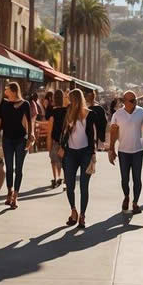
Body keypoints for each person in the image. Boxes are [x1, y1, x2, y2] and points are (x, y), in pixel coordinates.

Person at [108, 91, 143, 214]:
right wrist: (111, 149)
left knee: (137, 178)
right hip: (123, 151)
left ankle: (135, 203)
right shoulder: (118, 114)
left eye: (135, 100)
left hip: (138, 150)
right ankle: (127, 196)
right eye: (132, 100)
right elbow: (113, 131)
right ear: (124, 101)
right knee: (124, 179)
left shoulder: (142, 112)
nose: (135, 102)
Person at [0, 81, 32, 209]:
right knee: (9, 168)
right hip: (7, 139)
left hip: (21, 139)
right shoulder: (4, 103)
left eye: (7, 89)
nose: (5, 91)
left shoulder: (25, 104)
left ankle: (15, 196)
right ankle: (9, 192)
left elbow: (30, 122)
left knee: (18, 169)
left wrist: (30, 136)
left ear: (14, 91)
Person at [60, 88, 96, 229]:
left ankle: (82, 215)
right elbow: (63, 132)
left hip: (85, 153)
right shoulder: (68, 112)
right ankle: (73, 210)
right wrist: (62, 145)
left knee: (83, 186)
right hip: (70, 153)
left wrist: (93, 154)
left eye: (70, 99)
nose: (68, 101)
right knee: (69, 185)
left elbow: (92, 135)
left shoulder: (90, 114)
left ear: (75, 99)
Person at [46, 89, 68, 188]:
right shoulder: (67, 112)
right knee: (65, 162)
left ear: (54, 99)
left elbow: (50, 131)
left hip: (55, 140)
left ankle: (56, 178)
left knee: (54, 160)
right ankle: (65, 181)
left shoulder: (53, 113)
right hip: (66, 142)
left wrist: (48, 146)